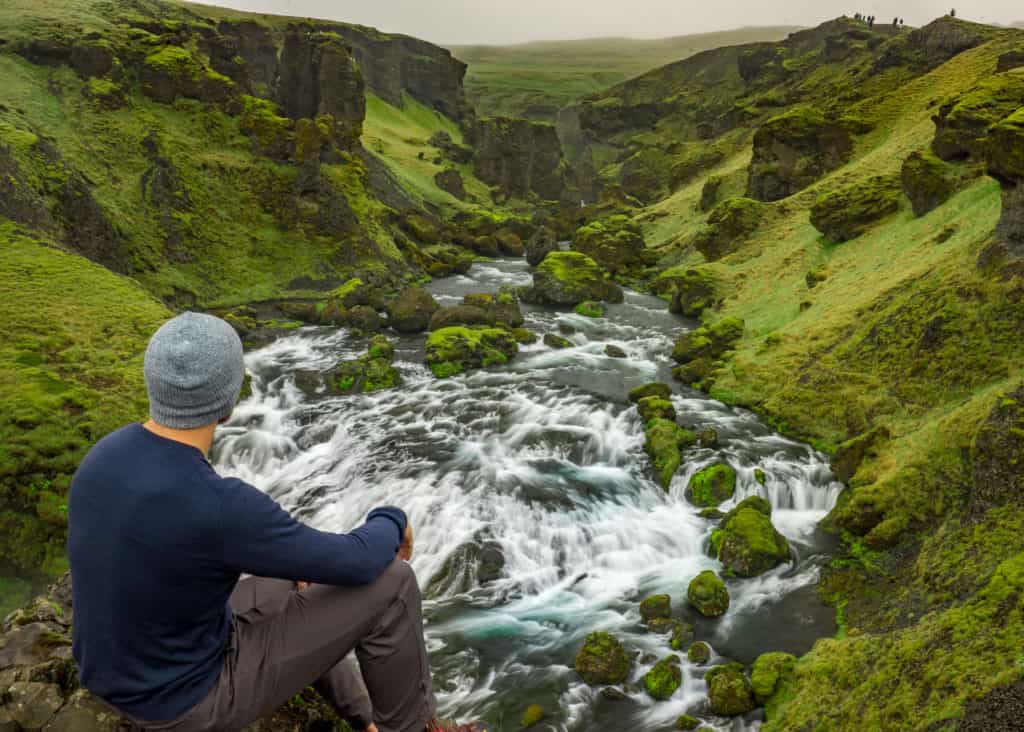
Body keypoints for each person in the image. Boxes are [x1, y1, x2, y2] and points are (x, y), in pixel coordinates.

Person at [67, 312, 487, 732]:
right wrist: (393, 518)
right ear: (228, 401)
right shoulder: (217, 502)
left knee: (297, 579)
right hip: (184, 704)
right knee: (391, 582)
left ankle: (365, 720)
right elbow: (358, 562)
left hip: (113, 673)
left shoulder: (103, 455)